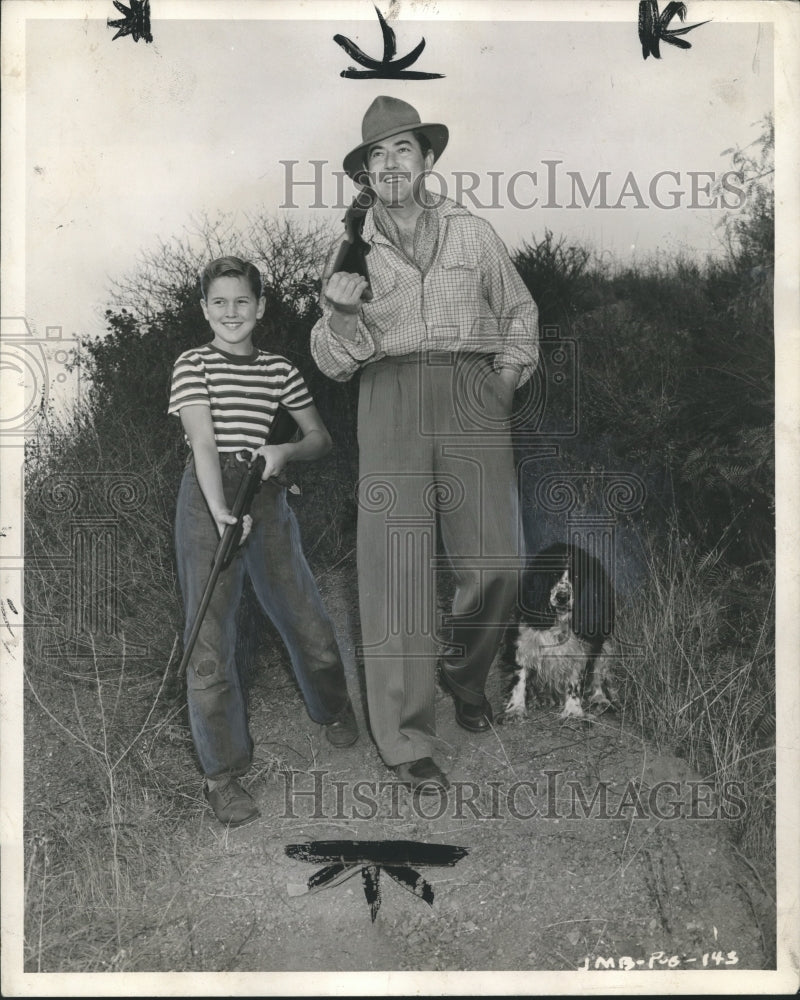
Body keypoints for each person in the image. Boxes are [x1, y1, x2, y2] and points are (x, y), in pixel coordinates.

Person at [311, 97, 538, 793]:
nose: (390, 164)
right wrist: (344, 315)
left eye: (402, 149)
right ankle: (407, 737)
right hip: (390, 398)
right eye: (376, 155)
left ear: (427, 158)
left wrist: (502, 380)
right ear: (365, 173)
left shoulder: (473, 232)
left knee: (499, 562)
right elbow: (328, 356)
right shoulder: (350, 250)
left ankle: (463, 676)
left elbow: (520, 310)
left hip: (472, 390)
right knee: (396, 572)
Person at [169, 255, 358, 827]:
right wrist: (222, 510)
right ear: (205, 309)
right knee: (209, 636)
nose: (231, 313)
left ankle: (332, 706)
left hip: (267, 493)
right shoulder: (192, 363)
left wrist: (283, 453)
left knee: (307, 619)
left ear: (261, 307)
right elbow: (203, 442)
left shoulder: (279, 370)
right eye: (219, 303)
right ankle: (222, 775)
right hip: (208, 499)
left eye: (242, 302)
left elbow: (319, 438)